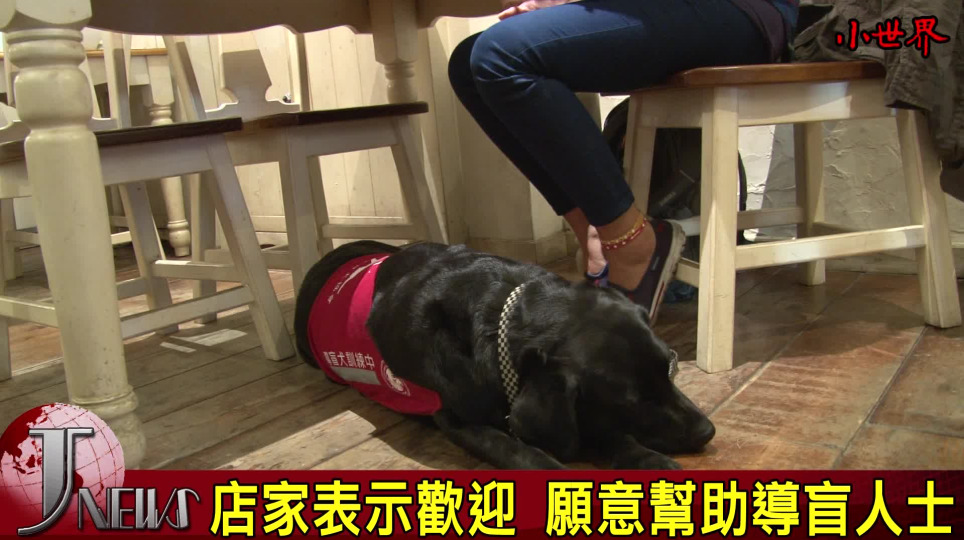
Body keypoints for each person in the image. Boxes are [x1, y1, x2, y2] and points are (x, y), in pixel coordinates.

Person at [449, 0, 799, 321]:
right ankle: (597, 235)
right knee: (468, 63)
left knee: (502, 55)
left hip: (740, 10)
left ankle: (632, 244)